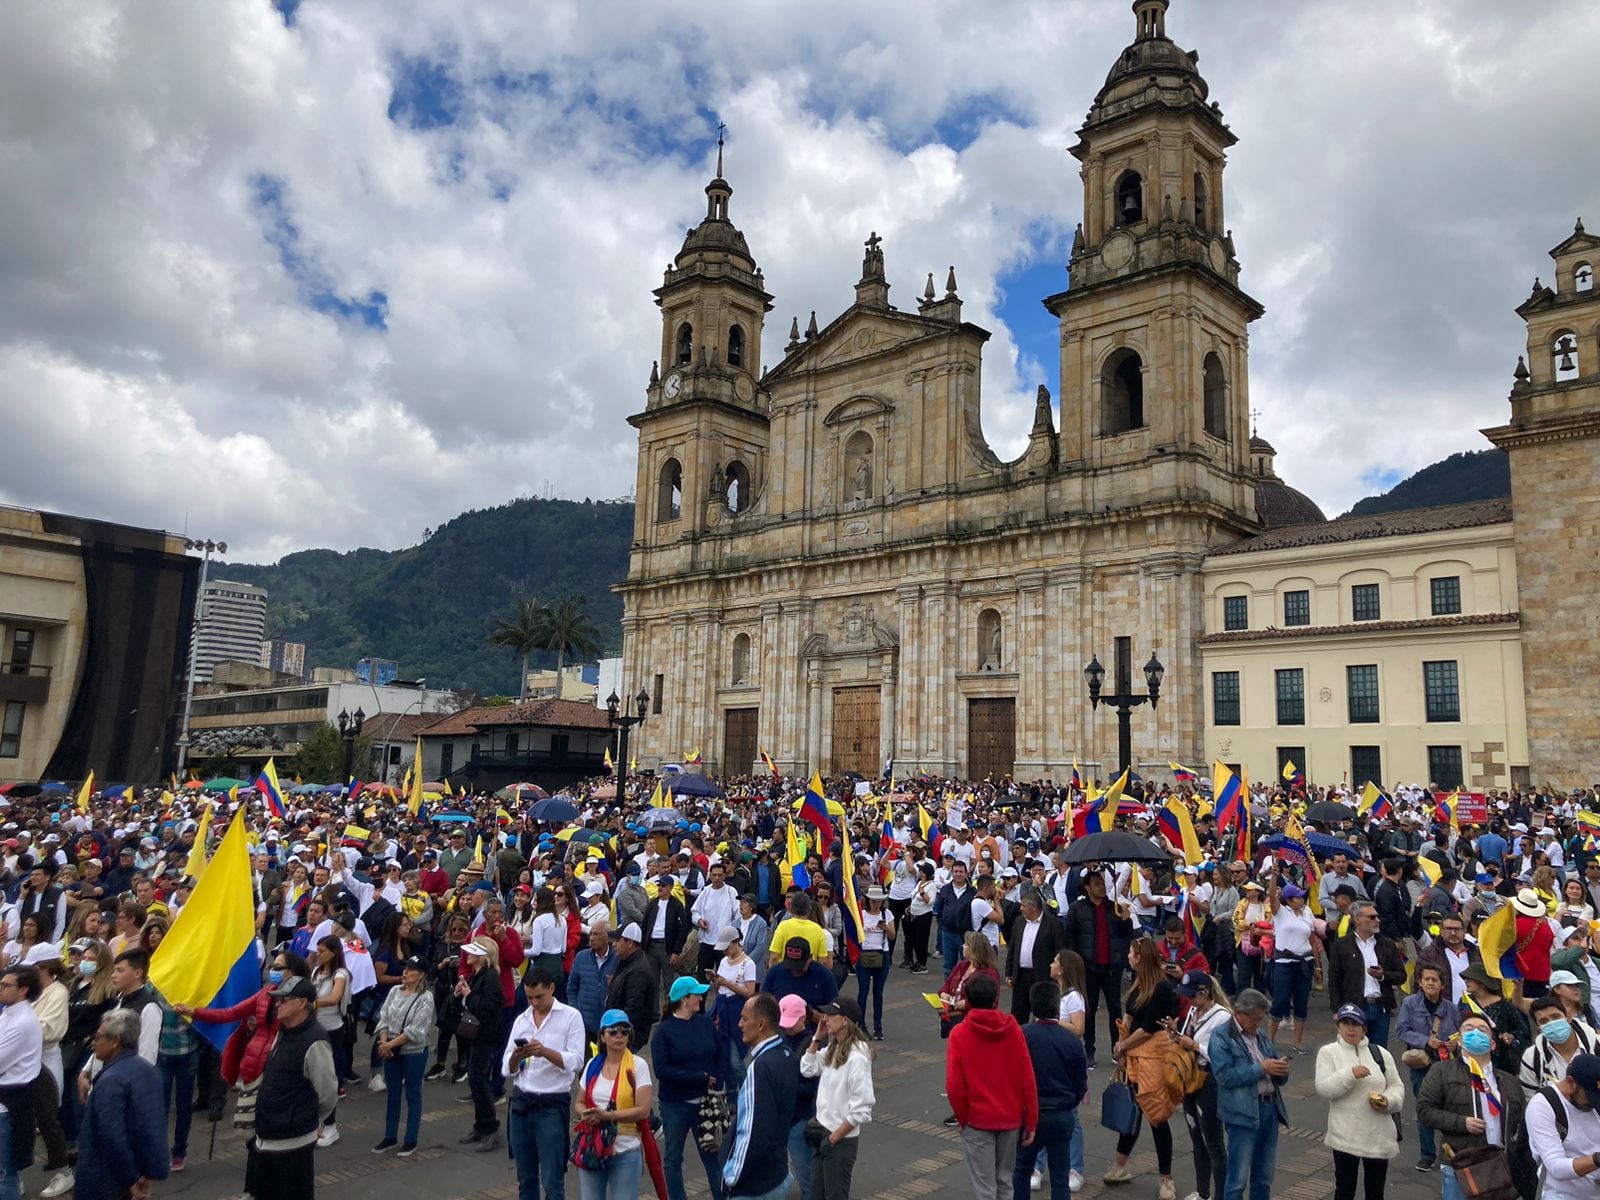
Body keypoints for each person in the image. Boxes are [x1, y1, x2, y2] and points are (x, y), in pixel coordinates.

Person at [946, 972, 1038, 1200]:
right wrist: (1031, 1119)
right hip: (1010, 1118)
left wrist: (963, 1117)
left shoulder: (960, 1033)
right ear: (996, 999)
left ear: (967, 1000)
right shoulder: (1014, 1030)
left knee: (984, 1187)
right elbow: (1027, 1078)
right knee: (1005, 1182)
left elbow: (954, 1085)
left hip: (977, 1120)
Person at [1416, 1012, 1527, 1200]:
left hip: (1501, 1166)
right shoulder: (1442, 1071)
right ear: (1459, 1041)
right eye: (1469, 1029)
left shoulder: (1509, 1081)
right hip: (1462, 1165)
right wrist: (1462, 1122)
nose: (1476, 1033)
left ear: (1493, 1044)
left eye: (1482, 1030)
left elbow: (1521, 1122)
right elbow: (1424, 1110)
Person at [1100, 935, 1180, 1196]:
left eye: (1131, 953)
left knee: (1157, 1117)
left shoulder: (1161, 988)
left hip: (1152, 1059)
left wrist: (1123, 1046)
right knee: (1132, 1113)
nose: (1128, 956)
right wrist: (1121, 1044)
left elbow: (1148, 1029)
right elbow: (1129, 1016)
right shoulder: (1138, 984)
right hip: (1134, 1056)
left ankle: (1166, 1180)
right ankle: (1119, 1166)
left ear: (1140, 958)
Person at [247, 977, 339, 1200]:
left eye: (283, 1000)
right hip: (266, 1139)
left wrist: (312, 1119)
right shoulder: (284, 1031)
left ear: (301, 1003)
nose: (277, 1004)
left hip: (293, 1144)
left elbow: (328, 1092)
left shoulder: (314, 1040)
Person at [504, 966, 586, 1200]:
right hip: (521, 1104)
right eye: (529, 997)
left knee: (552, 1181)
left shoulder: (571, 1017)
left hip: (551, 1106)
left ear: (552, 988)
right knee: (525, 1179)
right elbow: (506, 1068)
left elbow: (576, 1061)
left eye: (539, 997)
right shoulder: (522, 1019)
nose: (534, 1003)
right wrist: (516, 1057)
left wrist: (545, 1052)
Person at [72, 1007, 169, 1200]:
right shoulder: (149, 1071)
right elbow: (153, 1127)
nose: (93, 1043)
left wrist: (132, 1178)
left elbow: (111, 1134)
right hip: (136, 1168)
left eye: (98, 1037)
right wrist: (145, 1173)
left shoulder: (111, 1080)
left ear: (115, 1041)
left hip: (106, 1178)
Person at [1314, 1003, 1404, 1200]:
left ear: (1364, 1029)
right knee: (1345, 1190)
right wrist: (1350, 1074)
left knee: (1375, 1192)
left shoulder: (1380, 1053)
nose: (1350, 1028)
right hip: (1345, 1136)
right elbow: (1324, 1088)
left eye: (1355, 1024)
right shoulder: (1328, 1053)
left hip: (1378, 1135)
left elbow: (1397, 1086)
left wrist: (1388, 1100)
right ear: (1338, 1027)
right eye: (1345, 1023)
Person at [1208, 988, 1290, 1200]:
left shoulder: (1260, 1035)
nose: (1258, 1024)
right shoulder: (1221, 1036)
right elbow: (1224, 1076)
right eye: (1255, 1019)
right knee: (1237, 1179)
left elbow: (1273, 1066)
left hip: (1270, 1109)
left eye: (1261, 1019)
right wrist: (1261, 1068)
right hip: (1242, 1114)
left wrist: (1281, 1069)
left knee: (1263, 1177)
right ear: (1239, 1013)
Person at [1010, 981, 1087, 1200]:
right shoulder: (1072, 1041)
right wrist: (1070, 1101)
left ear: (1033, 1007)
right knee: (1060, 1176)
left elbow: (1012, 1075)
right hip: (1061, 1114)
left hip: (1029, 1115)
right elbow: (1080, 1083)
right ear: (1057, 1008)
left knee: (1022, 1171)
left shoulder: (1021, 1035)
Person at [653, 975, 724, 1200]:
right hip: (675, 1104)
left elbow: (719, 1054)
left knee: (713, 1156)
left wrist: (717, 1083)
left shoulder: (705, 1023)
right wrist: (699, 1079)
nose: (701, 999)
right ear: (684, 999)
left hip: (706, 1102)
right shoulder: (663, 1031)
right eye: (697, 995)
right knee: (673, 1158)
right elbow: (662, 1070)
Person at [723, 992, 799, 1200]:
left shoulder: (760, 1067)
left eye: (744, 1018)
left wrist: (731, 1177)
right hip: (778, 1174)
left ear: (761, 1024)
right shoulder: (786, 1055)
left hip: (754, 1187)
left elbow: (750, 1129)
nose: (740, 1024)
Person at [801, 997, 875, 1200]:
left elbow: (863, 1109)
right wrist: (817, 1038)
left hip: (839, 1141)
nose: (824, 1019)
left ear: (844, 1020)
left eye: (830, 1015)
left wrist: (834, 1138)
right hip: (823, 1134)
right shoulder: (834, 1048)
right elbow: (807, 1068)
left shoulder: (857, 1059)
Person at [1170, 970, 1233, 1200]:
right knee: (1196, 1138)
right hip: (1190, 1079)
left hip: (1209, 1081)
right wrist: (1176, 1034)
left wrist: (1195, 1046)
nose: (1188, 999)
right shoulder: (1193, 1011)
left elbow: (1224, 1054)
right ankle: (1202, 1192)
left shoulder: (1223, 1017)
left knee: (1213, 1143)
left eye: (1192, 995)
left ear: (1205, 993)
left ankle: (1221, 1195)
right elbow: (1186, 1039)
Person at [1062, 870, 1133, 1066]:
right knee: (1089, 1009)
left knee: (1115, 1009)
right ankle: (1089, 1050)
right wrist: (1076, 962)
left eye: (1102, 883)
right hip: (1088, 967)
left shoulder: (1114, 907)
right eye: (1097, 884)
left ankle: (1116, 1048)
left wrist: (1125, 919)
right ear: (1087, 887)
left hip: (1112, 966)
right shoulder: (1077, 909)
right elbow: (1069, 936)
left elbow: (1126, 934)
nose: (1102, 887)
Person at [1397, 962, 1460, 1170]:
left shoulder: (1451, 1008)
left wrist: (1455, 1043)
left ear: (1442, 985)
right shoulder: (1409, 1004)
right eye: (1427, 979)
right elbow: (1402, 1031)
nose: (1430, 983)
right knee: (1424, 1109)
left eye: (1435, 980)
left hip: (1446, 1066)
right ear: (1420, 982)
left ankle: (1451, 1151)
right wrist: (1425, 1040)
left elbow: (1460, 1033)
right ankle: (1427, 1154)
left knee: (1450, 1108)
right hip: (1421, 1065)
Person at [371, 953, 434, 1154]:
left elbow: (416, 1030)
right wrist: (384, 1042)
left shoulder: (425, 998)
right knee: (393, 1094)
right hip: (391, 1050)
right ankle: (390, 1136)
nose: (405, 973)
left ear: (421, 975)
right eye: (405, 968)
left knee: (413, 1094)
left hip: (413, 1052)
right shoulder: (394, 991)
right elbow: (383, 1017)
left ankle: (411, 1138)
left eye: (411, 970)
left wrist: (389, 1045)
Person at [1324, 901, 1405, 1050]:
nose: (1377, 920)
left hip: (1381, 1008)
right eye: (1372, 917)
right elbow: (1334, 980)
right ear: (1357, 920)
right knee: (1352, 1052)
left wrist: (1383, 976)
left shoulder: (1387, 945)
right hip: (1354, 1007)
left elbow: (1401, 976)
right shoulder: (1341, 946)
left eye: (1377, 917)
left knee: (1378, 1053)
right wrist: (1336, 1009)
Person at [1525, 1052, 1600, 1200]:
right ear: (1571, 1082)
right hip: (1562, 1195)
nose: (1594, 1103)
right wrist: (1597, 1159)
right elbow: (1556, 1168)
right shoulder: (1543, 1105)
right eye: (1590, 1097)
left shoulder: (1594, 1103)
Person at [457, 937, 507, 1152]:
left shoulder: (490, 977)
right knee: (476, 1080)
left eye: (473, 952)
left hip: (486, 1035)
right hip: (478, 1034)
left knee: (479, 1080)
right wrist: (462, 993)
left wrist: (469, 995)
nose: (468, 955)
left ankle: (491, 1128)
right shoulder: (478, 975)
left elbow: (487, 1007)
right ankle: (481, 1126)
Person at [0, 965, 43, 1200]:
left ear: (23, 990)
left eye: (6, 985)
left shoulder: (23, 1021)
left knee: (4, 1174)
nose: (0, 988)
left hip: (9, 1106)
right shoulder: (9, 1014)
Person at [1266, 879, 1317, 1054]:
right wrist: (1274, 876)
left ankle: (1298, 1041)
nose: (1301, 900)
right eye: (1297, 897)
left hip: (1305, 961)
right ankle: (1269, 1041)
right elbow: (1271, 895)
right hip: (1284, 963)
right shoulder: (1280, 912)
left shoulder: (1307, 912)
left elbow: (1312, 939)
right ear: (1288, 900)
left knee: (1301, 1002)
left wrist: (1318, 966)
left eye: (1302, 897)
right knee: (1279, 1001)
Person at [1458, 961, 1531, 1075]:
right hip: (1470, 1056)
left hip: (1500, 1062)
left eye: (1470, 979)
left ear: (1482, 982)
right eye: (1466, 979)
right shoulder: (1465, 1002)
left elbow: (1523, 1030)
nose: (1466, 981)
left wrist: (1511, 1037)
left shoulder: (1504, 1005)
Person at [1005, 890, 1064, 1026]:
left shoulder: (1053, 924)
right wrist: (1009, 973)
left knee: (1041, 1016)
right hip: (1021, 977)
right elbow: (1012, 949)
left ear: (1034, 907)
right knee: (1017, 1016)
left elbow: (1059, 951)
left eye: (1023, 905)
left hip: (1043, 978)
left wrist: (1055, 979)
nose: (1021, 908)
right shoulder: (1019, 922)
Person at [713, 926, 759, 1086]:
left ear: (735, 942)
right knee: (722, 1056)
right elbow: (720, 987)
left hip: (737, 1011)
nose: (724, 951)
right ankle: (731, 1093)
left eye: (726, 947)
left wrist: (727, 984)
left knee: (735, 1060)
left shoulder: (748, 964)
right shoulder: (724, 961)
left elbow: (750, 992)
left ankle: (747, 1088)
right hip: (721, 1008)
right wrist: (717, 982)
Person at [1521, 994, 1599, 1090]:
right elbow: (1531, 1096)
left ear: (1568, 1017)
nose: (1551, 1023)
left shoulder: (1597, 1045)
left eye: (1555, 1017)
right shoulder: (1532, 1058)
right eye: (1543, 1021)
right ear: (1538, 1027)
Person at [606, 923, 659, 1049]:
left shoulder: (638, 971)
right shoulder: (627, 961)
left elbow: (632, 1010)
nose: (613, 944)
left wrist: (616, 1033)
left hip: (626, 1039)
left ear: (629, 943)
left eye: (618, 940)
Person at [853, 886, 895, 1040]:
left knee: (878, 992)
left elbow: (892, 936)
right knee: (863, 992)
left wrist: (885, 928)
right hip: (864, 955)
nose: (876, 904)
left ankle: (878, 1026)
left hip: (881, 955)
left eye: (879, 901)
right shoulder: (861, 915)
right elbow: (854, 935)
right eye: (874, 901)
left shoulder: (887, 914)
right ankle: (861, 1025)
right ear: (868, 901)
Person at [568, 921, 618, 1046]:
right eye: (591, 934)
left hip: (610, 1025)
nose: (591, 938)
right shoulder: (581, 957)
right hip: (585, 1025)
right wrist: (576, 1011)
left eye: (596, 934)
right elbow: (571, 988)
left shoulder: (617, 959)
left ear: (607, 937)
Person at [761, 937, 839, 1016]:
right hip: (779, 1022)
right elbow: (762, 1004)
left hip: (811, 1023)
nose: (794, 970)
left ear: (810, 958)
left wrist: (810, 1014)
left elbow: (835, 1015)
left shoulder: (824, 976)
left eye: (799, 967)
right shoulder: (775, 972)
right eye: (790, 966)